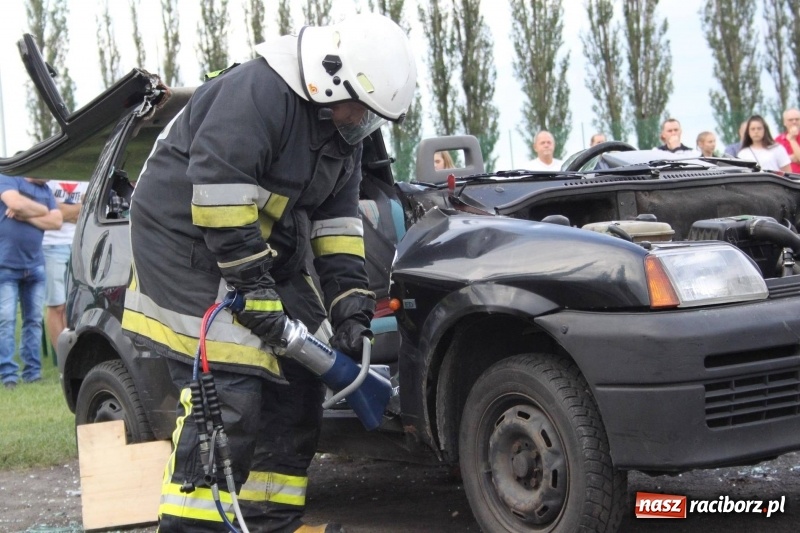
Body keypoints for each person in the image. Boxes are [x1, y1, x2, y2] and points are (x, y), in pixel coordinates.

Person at [121, 13, 416, 533]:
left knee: (298, 383)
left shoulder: (339, 134)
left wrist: (350, 306)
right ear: (329, 80)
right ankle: (197, 525)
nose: (361, 123)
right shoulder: (259, 93)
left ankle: (265, 519)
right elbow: (220, 195)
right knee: (231, 387)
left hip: (258, 248)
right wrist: (253, 291)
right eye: (359, 110)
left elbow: (338, 226)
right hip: (185, 245)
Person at [0, 174, 62, 389]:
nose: (49, 173)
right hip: (6, 264)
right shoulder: (8, 179)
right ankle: (8, 375)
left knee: (34, 321)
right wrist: (42, 210)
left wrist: (26, 214)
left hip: (35, 265)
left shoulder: (46, 190)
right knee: (7, 321)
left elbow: (56, 220)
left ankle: (32, 373)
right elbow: (14, 202)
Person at [42, 180, 87, 353]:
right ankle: (63, 357)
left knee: (76, 305)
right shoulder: (49, 179)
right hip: (51, 245)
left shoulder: (82, 177)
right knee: (57, 306)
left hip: (79, 243)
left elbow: (89, 210)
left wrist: (60, 211)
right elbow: (51, 213)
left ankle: (77, 353)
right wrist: (79, 207)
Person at [774, 108, 800, 173]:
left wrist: (792, 140)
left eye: (797, 119)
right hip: (784, 180)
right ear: (784, 122)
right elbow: (774, 161)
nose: (794, 122)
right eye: (790, 120)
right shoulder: (778, 140)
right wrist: (790, 158)